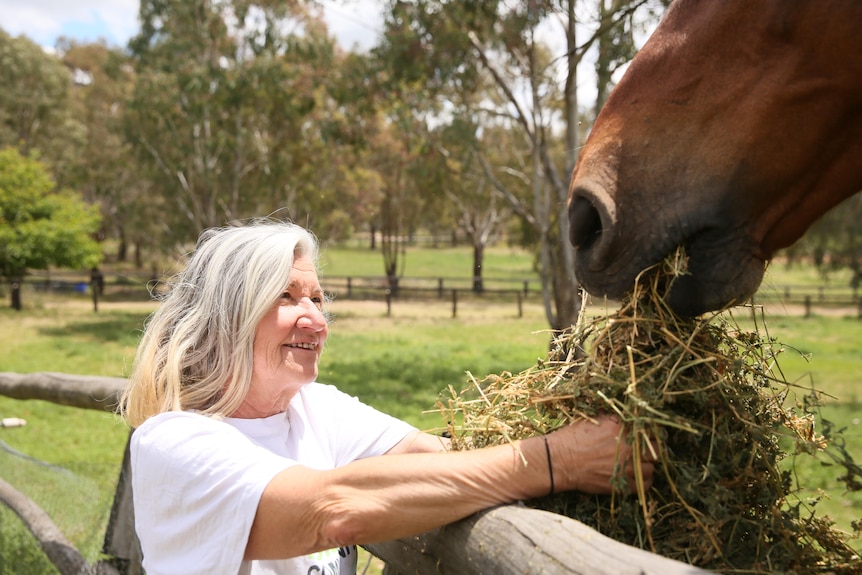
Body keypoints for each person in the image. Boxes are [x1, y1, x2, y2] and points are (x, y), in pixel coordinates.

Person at [119, 219, 654, 575]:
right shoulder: (172, 442)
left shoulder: (313, 408)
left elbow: (440, 459)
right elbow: (333, 510)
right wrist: (556, 461)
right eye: (285, 297)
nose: (316, 319)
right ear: (226, 316)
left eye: (318, 299)